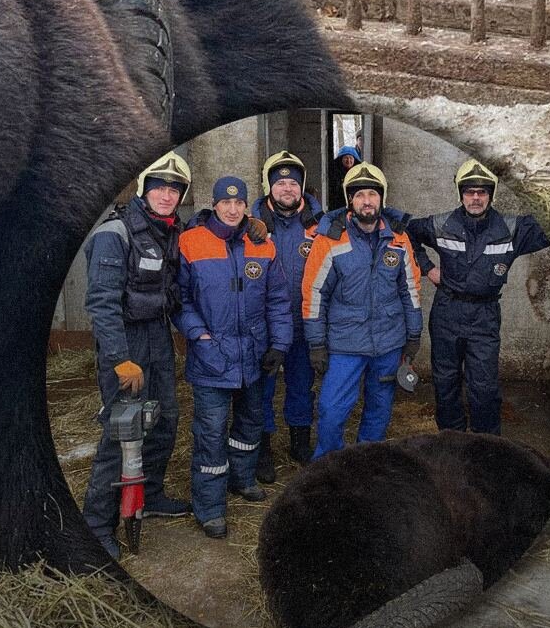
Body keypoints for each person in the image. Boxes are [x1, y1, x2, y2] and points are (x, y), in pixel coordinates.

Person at [82, 151, 193, 560]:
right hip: (125, 342)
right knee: (122, 430)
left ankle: (152, 492)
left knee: (165, 419)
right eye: (160, 188)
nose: (167, 195)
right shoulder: (116, 232)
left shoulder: (170, 231)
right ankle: (96, 524)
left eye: (175, 190)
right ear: (145, 190)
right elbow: (101, 303)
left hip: (158, 337)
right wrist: (118, 358)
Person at [174, 176, 291, 539]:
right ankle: (209, 506)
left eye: (239, 202)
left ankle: (242, 479)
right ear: (214, 203)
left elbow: (278, 300)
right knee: (210, 432)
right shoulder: (191, 243)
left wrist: (279, 345)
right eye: (225, 202)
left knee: (250, 424)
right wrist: (200, 335)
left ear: (246, 205)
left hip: (253, 356)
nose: (232, 208)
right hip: (212, 357)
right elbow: (180, 299)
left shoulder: (262, 245)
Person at [407, 159, 550, 435]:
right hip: (447, 313)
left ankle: (486, 448)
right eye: (469, 191)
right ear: (461, 194)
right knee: (445, 382)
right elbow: (406, 233)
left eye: (482, 192)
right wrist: (427, 268)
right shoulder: (441, 224)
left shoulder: (511, 229)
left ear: (491, 195)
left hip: (484, 317)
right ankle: (451, 443)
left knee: (484, 386)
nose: (475, 198)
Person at [301, 162, 423, 460]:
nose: (366, 200)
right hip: (345, 344)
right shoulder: (330, 238)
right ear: (349, 201)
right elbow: (314, 293)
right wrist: (316, 344)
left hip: (388, 344)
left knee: (379, 410)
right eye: (359, 195)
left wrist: (414, 334)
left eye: (372, 194)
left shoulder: (399, 238)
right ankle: (327, 467)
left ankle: (365, 467)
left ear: (382, 198)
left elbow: (411, 289)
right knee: (331, 410)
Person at [251, 151, 324, 478]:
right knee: (262, 387)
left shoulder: (318, 224)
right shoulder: (250, 223)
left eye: (293, 183)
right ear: (269, 187)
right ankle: (263, 447)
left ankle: (299, 441)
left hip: (305, 322)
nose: (286, 189)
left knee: (301, 384)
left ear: (302, 187)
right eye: (279, 182)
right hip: (263, 325)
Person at [329, 144, 362, 209]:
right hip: (338, 205)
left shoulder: (359, 172)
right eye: (346, 158)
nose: (348, 160)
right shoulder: (334, 172)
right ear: (341, 159)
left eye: (351, 158)